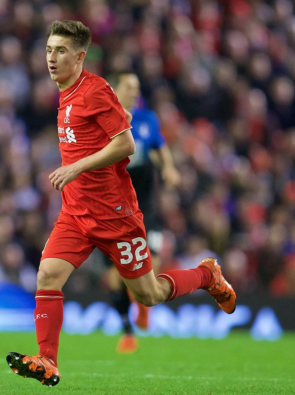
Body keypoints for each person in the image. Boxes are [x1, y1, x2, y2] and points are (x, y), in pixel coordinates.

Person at [6, 20, 236, 388]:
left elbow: (126, 144)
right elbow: (112, 124)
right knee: (47, 275)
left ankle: (208, 274)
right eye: (49, 49)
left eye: (60, 51)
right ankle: (47, 360)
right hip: (76, 213)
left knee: (149, 294)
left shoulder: (94, 90)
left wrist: (76, 167)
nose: (51, 57)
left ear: (80, 57)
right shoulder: (66, 90)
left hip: (116, 215)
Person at [103, 71, 181, 353]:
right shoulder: (103, 119)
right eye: (129, 87)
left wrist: (169, 168)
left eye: (137, 87)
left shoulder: (147, 119)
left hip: (146, 203)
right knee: (115, 274)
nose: (135, 91)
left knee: (154, 258)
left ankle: (144, 306)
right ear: (115, 89)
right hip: (113, 205)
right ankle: (127, 331)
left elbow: (159, 148)